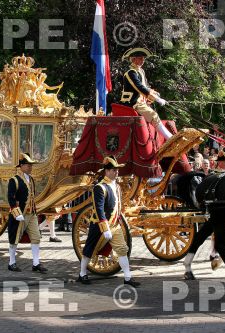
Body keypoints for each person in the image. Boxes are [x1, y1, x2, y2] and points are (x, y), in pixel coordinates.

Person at [77, 156, 140, 287]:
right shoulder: (99, 187)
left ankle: (128, 277)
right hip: (99, 225)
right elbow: (98, 208)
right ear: (106, 171)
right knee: (90, 249)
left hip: (115, 225)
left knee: (122, 249)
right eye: (113, 170)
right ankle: (82, 273)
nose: (116, 172)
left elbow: (118, 205)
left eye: (117, 170)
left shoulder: (116, 186)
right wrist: (105, 228)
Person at [119, 47, 173, 140]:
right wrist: (157, 99)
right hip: (132, 102)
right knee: (153, 115)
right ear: (133, 59)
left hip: (141, 102)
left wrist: (156, 95)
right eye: (140, 58)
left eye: (143, 58)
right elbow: (140, 87)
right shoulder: (130, 73)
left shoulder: (141, 71)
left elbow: (146, 86)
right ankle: (170, 138)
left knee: (154, 114)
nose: (143, 60)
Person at [7, 153, 47, 273]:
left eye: (31, 165)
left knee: (36, 238)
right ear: (22, 166)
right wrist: (16, 213)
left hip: (32, 214)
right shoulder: (14, 180)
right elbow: (10, 197)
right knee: (15, 238)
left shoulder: (31, 179)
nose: (30, 167)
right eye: (28, 165)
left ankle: (36, 263)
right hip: (20, 214)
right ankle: (11, 262)